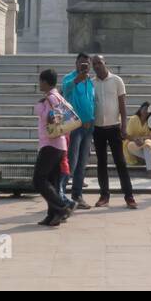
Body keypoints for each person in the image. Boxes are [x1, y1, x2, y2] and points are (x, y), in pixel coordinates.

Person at [90, 55, 136, 208]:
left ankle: (129, 196)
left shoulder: (116, 80)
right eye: (94, 64)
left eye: (99, 63)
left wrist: (124, 126)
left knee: (120, 163)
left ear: (105, 63)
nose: (97, 66)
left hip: (114, 128)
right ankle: (104, 196)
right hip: (98, 129)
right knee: (101, 163)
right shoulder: (91, 83)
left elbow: (122, 106)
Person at [32, 69, 75, 226]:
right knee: (52, 180)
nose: (39, 84)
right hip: (59, 144)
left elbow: (49, 118)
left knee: (39, 180)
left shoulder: (51, 98)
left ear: (45, 82)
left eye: (40, 81)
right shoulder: (58, 97)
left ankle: (63, 206)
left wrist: (40, 107)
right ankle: (52, 214)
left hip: (50, 144)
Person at [59, 53, 96, 209]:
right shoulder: (69, 78)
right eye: (81, 63)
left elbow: (92, 102)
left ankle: (77, 195)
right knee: (71, 162)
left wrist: (91, 119)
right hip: (74, 127)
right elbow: (65, 90)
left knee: (82, 163)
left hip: (89, 126)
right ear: (76, 64)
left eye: (87, 64)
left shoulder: (90, 82)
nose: (84, 66)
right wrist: (77, 79)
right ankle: (59, 195)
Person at [124, 101, 151, 170]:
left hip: (148, 141)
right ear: (140, 109)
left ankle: (149, 170)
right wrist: (136, 140)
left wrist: (142, 139)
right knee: (129, 145)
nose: (145, 111)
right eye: (144, 109)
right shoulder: (133, 119)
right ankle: (148, 160)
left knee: (147, 145)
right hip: (134, 142)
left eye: (148, 110)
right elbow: (127, 135)